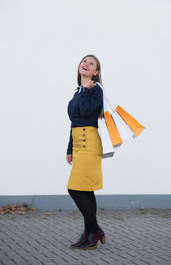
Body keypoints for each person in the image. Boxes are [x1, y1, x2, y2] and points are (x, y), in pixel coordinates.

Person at [66, 54, 106, 250]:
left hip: (89, 142)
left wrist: (86, 90)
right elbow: (74, 121)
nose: (87, 64)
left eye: (92, 64)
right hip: (78, 142)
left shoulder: (95, 90)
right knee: (85, 189)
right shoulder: (79, 91)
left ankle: (95, 229)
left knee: (74, 189)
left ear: (96, 72)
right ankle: (89, 232)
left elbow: (84, 112)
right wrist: (69, 149)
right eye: (85, 61)